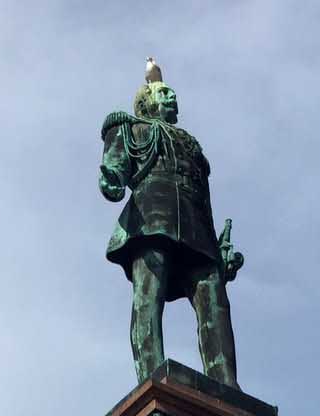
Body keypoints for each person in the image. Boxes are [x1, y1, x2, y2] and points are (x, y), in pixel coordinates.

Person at [100, 59, 243, 385]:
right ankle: (151, 376)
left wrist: (219, 250)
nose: (172, 97)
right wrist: (111, 178)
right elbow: (115, 170)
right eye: (164, 93)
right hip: (151, 220)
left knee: (214, 297)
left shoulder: (193, 148)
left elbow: (203, 199)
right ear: (147, 101)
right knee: (148, 295)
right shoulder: (132, 129)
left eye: (171, 93)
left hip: (197, 228)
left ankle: (225, 381)